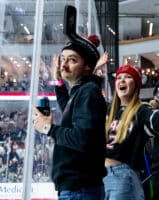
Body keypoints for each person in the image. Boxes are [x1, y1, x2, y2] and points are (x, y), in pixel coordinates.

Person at [32, 35, 107, 200]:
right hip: (78, 189)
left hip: (79, 190)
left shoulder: (88, 92)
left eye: (72, 60)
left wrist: (49, 128)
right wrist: (58, 83)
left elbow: (82, 139)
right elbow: (68, 107)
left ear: (88, 67)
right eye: (63, 60)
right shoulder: (83, 90)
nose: (64, 65)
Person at [103, 64, 159, 200]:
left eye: (128, 77)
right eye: (119, 77)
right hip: (101, 177)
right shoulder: (109, 111)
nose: (122, 80)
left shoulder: (141, 110)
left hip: (123, 177)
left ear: (136, 85)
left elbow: (155, 118)